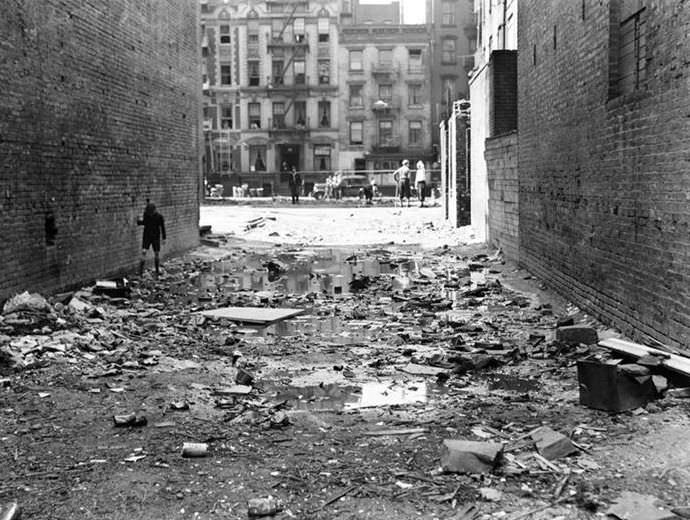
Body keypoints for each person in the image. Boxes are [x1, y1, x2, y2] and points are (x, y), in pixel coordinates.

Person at [137, 200, 166, 276]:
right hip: (148, 236)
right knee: (145, 252)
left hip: (153, 236)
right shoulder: (148, 215)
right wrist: (139, 221)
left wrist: (164, 238)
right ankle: (141, 271)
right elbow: (144, 223)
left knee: (155, 253)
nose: (150, 214)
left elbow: (162, 227)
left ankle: (155, 270)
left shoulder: (159, 217)